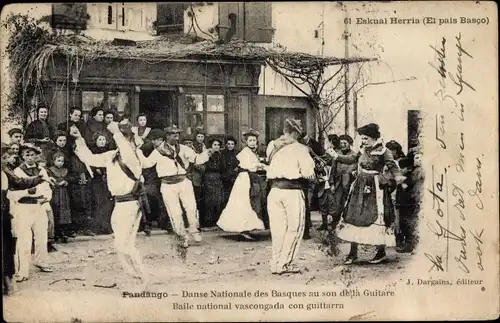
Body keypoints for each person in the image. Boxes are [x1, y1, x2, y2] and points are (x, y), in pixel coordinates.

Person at [70, 121, 149, 289]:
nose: (126, 141)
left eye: (128, 138)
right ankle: (136, 278)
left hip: (129, 204)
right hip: (120, 204)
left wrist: (117, 132)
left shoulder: (134, 157)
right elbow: (90, 158)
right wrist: (79, 139)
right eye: (125, 137)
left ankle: (139, 279)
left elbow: (126, 151)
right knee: (122, 244)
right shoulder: (113, 155)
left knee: (123, 244)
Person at [326, 123, 405, 264]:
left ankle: (380, 252)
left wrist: (399, 178)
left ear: (374, 138)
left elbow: (392, 166)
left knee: (376, 217)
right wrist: (336, 156)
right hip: (359, 186)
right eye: (362, 139)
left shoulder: (384, 151)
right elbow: (351, 159)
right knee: (354, 216)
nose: (363, 141)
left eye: (365, 138)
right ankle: (353, 253)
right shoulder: (362, 150)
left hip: (375, 187)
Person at [137, 125, 208, 248]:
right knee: (175, 213)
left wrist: (207, 153)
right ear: (167, 136)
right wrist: (138, 153)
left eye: (178, 134)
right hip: (168, 185)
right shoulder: (158, 151)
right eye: (174, 135)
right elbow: (147, 164)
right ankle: (181, 237)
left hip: (184, 181)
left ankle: (194, 231)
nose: (177, 137)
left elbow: (197, 159)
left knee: (191, 208)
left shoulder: (184, 149)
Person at [266, 119, 315, 275]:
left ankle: (275, 264)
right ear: (296, 132)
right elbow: (308, 173)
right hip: (292, 191)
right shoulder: (301, 148)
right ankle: (285, 264)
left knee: (277, 230)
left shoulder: (272, 146)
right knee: (294, 229)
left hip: (274, 191)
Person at [2, 159, 52, 295]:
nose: (30, 157)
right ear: (23, 156)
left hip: (39, 206)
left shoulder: (41, 171)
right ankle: (22, 271)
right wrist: (27, 193)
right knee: (24, 240)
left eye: (33, 154)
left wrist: (46, 198)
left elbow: (47, 189)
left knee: (41, 236)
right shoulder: (16, 172)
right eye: (27, 154)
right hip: (23, 208)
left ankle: (41, 261)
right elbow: (11, 193)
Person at [217, 129, 266, 241]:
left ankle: (247, 228)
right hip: (244, 179)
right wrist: (260, 165)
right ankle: (243, 229)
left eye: (254, 140)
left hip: (249, 178)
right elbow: (248, 165)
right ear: (246, 142)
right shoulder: (245, 152)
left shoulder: (251, 152)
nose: (253, 142)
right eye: (250, 140)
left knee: (249, 203)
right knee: (244, 203)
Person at [139, 128, 171, 235]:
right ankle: (147, 224)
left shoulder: (164, 148)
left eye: (161, 140)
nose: (160, 142)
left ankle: (164, 223)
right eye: (158, 140)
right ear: (152, 140)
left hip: (159, 177)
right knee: (149, 201)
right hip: (149, 178)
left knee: (162, 201)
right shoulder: (146, 149)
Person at [322, 134, 357, 231]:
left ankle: (346, 228)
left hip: (349, 184)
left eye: (345, 143)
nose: (343, 145)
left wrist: (353, 174)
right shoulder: (336, 154)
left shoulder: (353, 155)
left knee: (347, 206)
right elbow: (333, 170)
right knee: (336, 206)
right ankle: (334, 227)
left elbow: (357, 169)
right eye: (341, 143)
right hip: (338, 184)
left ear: (349, 144)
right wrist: (332, 183)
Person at [395, 147, 424, 253]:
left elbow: (407, 184)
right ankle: (410, 243)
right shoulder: (413, 170)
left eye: (421, 158)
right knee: (407, 222)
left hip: (414, 198)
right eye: (416, 158)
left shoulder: (418, 171)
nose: (419, 160)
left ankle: (411, 244)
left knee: (410, 222)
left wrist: (403, 181)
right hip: (411, 199)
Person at [89, 133, 115, 235]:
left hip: (108, 180)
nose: (102, 142)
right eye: (100, 140)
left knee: (108, 204)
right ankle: (98, 227)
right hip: (97, 181)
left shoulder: (109, 152)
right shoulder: (93, 153)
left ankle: (107, 226)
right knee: (99, 203)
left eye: (104, 139)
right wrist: (97, 170)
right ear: (95, 141)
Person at [299, 133, 323, 239]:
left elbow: (318, 158)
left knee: (306, 204)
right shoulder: (295, 149)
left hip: (307, 180)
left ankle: (306, 231)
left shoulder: (307, 149)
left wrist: (321, 163)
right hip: (297, 179)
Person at [46, 152, 72, 243]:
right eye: (58, 161)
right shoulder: (50, 170)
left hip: (64, 194)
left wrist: (66, 182)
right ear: (54, 161)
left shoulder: (65, 170)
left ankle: (63, 232)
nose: (60, 163)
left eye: (62, 161)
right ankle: (56, 233)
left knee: (64, 211)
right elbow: (50, 181)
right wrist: (57, 184)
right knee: (56, 210)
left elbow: (69, 179)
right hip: (55, 193)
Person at [201, 137, 225, 228]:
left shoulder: (220, 155)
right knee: (209, 200)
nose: (217, 147)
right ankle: (208, 221)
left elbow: (223, 167)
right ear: (211, 146)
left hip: (218, 179)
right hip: (209, 178)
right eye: (215, 145)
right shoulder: (207, 154)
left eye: (218, 145)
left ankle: (216, 220)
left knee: (218, 200)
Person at [191, 127, 207, 223]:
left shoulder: (204, 147)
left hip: (203, 176)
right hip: (195, 174)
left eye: (202, 137)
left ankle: (201, 220)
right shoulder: (193, 147)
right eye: (198, 136)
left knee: (201, 198)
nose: (200, 138)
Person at [221, 135, 239, 208]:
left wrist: (236, 169)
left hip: (234, 178)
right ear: (226, 144)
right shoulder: (222, 153)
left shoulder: (238, 153)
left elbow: (241, 164)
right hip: (224, 178)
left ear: (234, 145)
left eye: (232, 144)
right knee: (225, 197)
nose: (230, 146)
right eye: (228, 144)